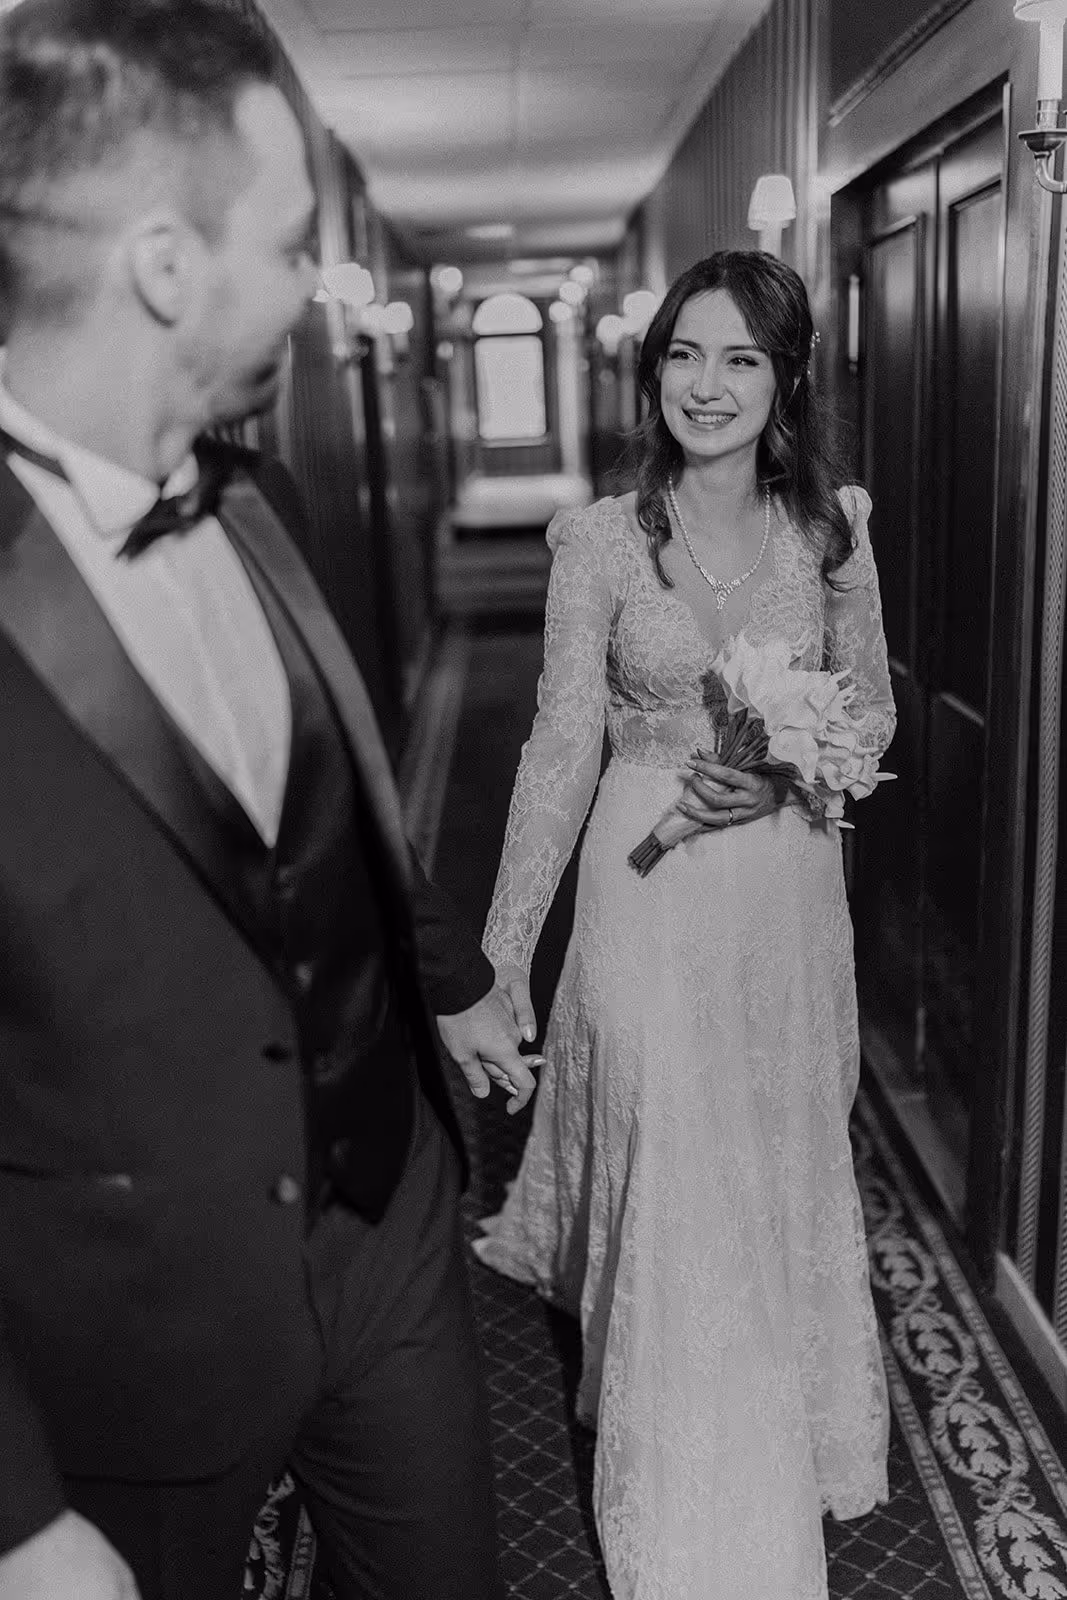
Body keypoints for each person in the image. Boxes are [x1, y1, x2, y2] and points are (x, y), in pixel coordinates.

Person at [0, 4, 540, 1598]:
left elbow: (340, 798)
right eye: (292, 241)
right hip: (130, 1337)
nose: (317, 285)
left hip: (390, 1232)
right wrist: (15, 1515)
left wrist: (442, 980)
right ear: (166, 265)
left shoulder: (263, 501)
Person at [474, 250, 895, 1600]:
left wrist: (783, 764)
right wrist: (498, 954)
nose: (703, 386)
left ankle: (783, 1406)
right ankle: (690, 1486)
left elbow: (872, 712)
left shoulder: (829, 528)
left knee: (766, 1150)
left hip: (781, 891)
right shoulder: (597, 538)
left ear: (782, 382)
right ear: (649, 367)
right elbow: (556, 749)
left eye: (738, 360)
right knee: (674, 1154)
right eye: (681, 355)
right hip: (642, 891)